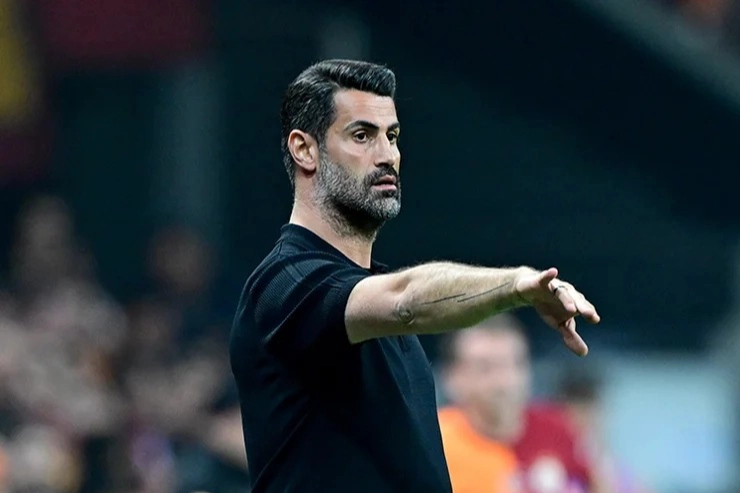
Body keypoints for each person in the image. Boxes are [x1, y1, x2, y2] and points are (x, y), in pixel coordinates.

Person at [229, 59, 601, 493]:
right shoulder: (284, 282)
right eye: (362, 135)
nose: (387, 155)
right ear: (304, 150)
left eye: (392, 137)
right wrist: (516, 285)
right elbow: (405, 299)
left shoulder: (379, 314)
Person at [438, 314, 609, 493]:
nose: (504, 381)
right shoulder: (437, 445)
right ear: (452, 377)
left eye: (515, 364)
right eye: (485, 368)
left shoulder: (559, 428)